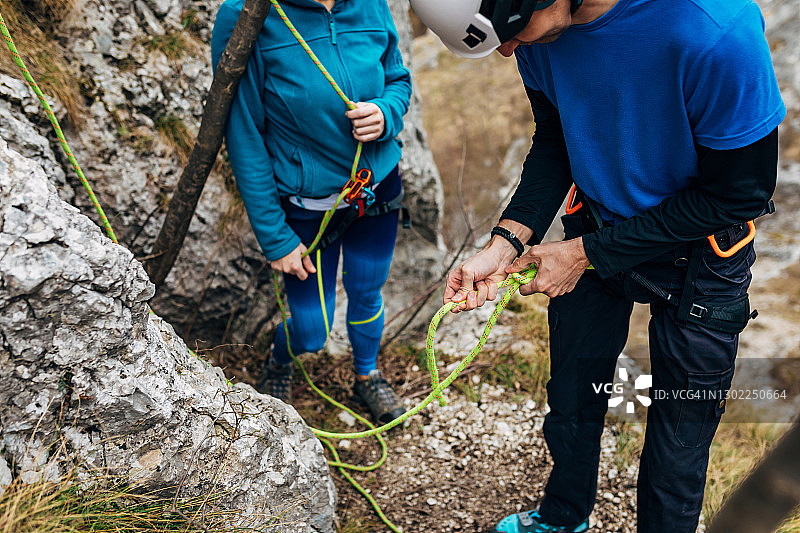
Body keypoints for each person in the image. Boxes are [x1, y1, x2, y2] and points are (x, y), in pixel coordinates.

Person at [410, 0, 784, 531]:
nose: (509, 51)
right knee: (571, 398)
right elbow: (557, 139)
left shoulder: (716, 30)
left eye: (512, 33)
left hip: (701, 254)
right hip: (597, 218)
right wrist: (507, 243)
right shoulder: (532, 32)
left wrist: (584, 256)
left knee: (678, 442)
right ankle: (564, 516)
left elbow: (738, 195)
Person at [211, 0, 412, 424]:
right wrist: (276, 236)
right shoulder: (249, 14)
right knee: (310, 329)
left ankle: (366, 374)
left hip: (375, 194)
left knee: (366, 293)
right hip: (306, 211)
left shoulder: (371, 3)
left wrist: (386, 113)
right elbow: (243, 131)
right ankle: (280, 359)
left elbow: (397, 78)